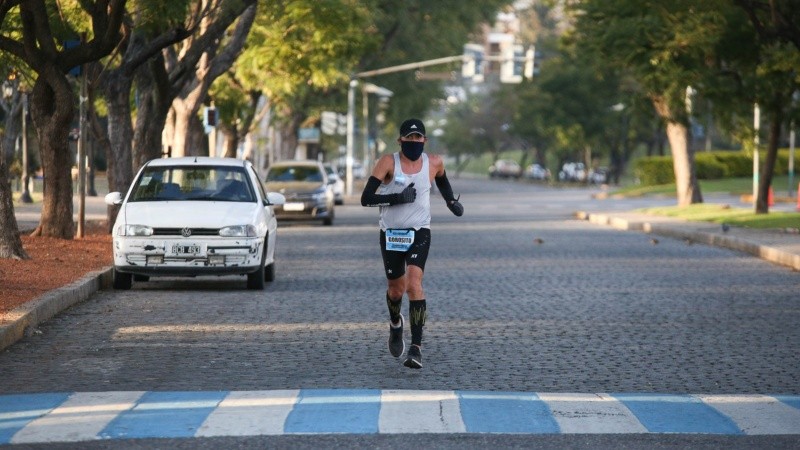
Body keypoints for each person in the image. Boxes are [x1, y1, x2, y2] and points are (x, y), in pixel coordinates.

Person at [360, 118, 464, 369]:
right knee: (396, 290)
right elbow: (366, 199)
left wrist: (451, 202)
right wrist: (397, 197)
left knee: (414, 284)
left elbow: (442, 178)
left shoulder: (434, 162)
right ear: (401, 140)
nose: (414, 142)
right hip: (392, 234)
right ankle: (396, 323)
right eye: (409, 138)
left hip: (420, 232)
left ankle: (416, 347)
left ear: (424, 141)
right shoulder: (388, 162)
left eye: (418, 138)